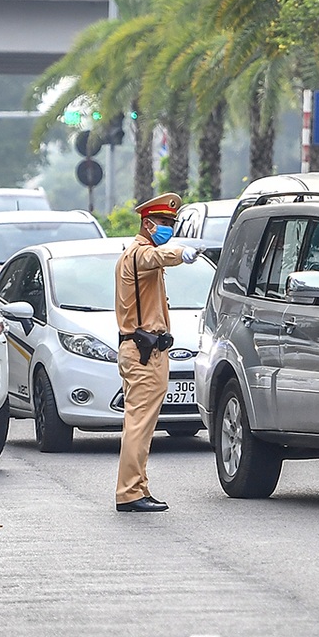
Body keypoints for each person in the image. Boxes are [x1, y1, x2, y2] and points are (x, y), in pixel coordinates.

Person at [113, 193, 198, 512]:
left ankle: (138, 487)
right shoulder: (138, 254)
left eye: (171, 225)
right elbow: (156, 258)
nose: (168, 229)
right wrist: (181, 253)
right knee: (139, 423)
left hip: (145, 350)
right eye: (163, 224)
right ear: (148, 224)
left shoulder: (139, 254)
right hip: (143, 351)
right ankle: (130, 492)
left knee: (141, 424)